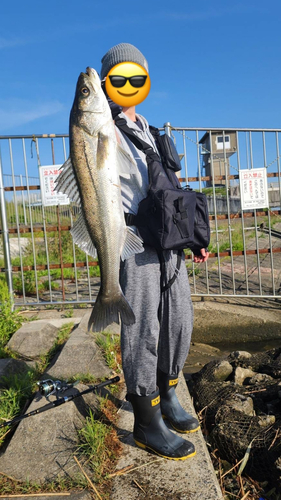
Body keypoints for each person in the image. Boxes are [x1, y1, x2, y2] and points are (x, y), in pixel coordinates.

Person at [100, 43, 209, 461]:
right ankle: (145, 420)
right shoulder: (101, 128)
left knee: (178, 317)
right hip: (133, 238)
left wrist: (192, 237)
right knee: (143, 324)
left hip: (169, 242)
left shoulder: (148, 126)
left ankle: (168, 395)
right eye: (119, 77)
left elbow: (171, 189)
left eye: (135, 75)